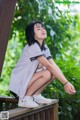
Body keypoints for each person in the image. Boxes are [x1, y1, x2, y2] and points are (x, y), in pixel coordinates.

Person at [9, 21, 76, 108]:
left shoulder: (44, 47)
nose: (42, 29)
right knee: (47, 72)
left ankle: (36, 95)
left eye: (43, 27)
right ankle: (25, 99)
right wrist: (65, 83)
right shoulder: (32, 46)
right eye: (38, 29)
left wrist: (66, 82)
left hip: (27, 81)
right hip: (19, 85)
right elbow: (49, 66)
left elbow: (54, 66)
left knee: (53, 73)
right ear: (33, 35)